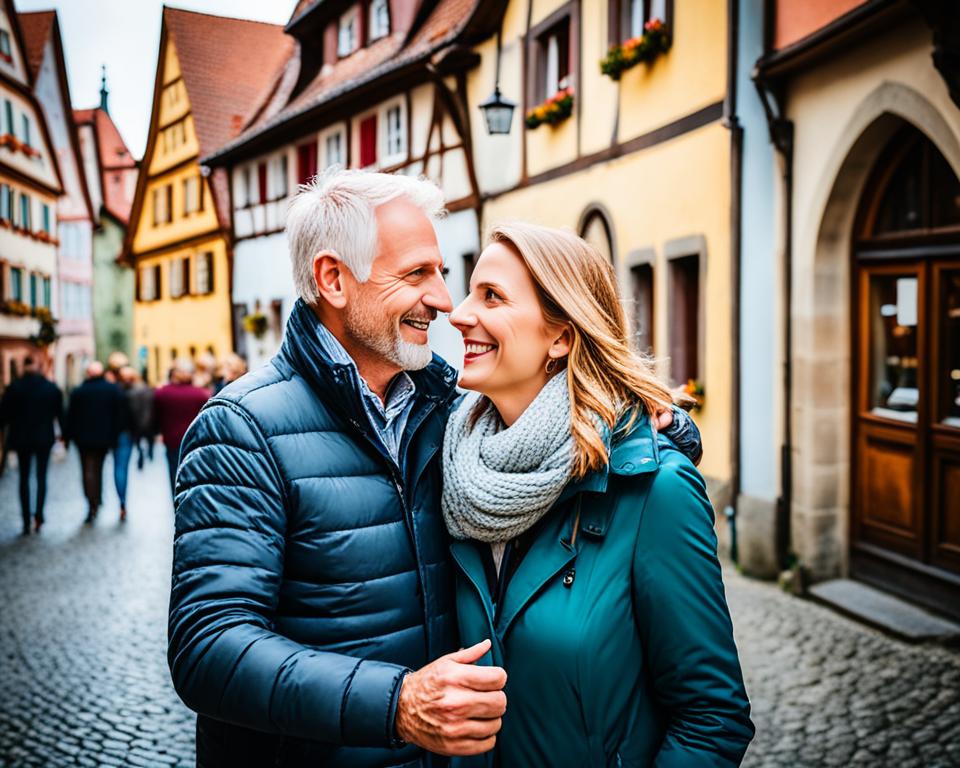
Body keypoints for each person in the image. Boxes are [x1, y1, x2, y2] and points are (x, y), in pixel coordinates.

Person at [167, 170, 699, 767]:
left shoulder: (449, 413)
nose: (446, 302)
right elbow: (207, 647)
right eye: (418, 273)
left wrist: (662, 430)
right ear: (334, 279)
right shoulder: (244, 428)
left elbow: (557, 431)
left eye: (445, 275)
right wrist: (397, 704)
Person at [443, 223, 754, 767]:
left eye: (491, 296)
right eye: (470, 291)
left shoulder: (655, 490)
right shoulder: (451, 471)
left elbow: (713, 718)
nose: (460, 313)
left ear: (560, 337)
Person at [0, 357, 62, 534]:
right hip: (43, 438)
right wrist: (64, 436)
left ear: (24, 367)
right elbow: (59, 413)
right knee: (41, 477)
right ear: (39, 367)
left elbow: (3, 415)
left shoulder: (14, 388)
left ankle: (26, 518)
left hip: (21, 439)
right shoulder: (50, 388)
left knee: (24, 478)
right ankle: (39, 516)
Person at [65, 361, 125, 523]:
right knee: (97, 468)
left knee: (87, 471)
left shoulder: (79, 391)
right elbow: (119, 415)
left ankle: (92, 502)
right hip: (103, 439)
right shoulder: (112, 390)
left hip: (83, 439)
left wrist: (68, 438)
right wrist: (114, 435)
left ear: (88, 373)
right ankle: (96, 498)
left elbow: (70, 416)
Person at [152, 358, 209, 495]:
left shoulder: (162, 393)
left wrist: (158, 432)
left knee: (174, 472)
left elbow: (156, 416)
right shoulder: (201, 394)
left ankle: (177, 499)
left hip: (172, 439)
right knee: (195, 472)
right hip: (195, 440)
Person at [122, 367, 156, 470]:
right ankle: (148, 451)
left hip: (136, 422)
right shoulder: (148, 389)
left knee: (138, 440)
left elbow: (133, 409)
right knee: (147, 439)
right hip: (147, 420)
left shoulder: (130, 392)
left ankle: (142, 451)